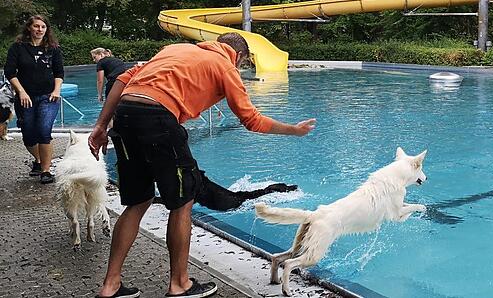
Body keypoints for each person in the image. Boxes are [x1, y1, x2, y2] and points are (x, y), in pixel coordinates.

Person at [87, 33, 315, 298]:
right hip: (158, 118)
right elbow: (251, 120)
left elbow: (124, 79)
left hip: (125, 114)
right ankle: (179, 284)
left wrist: (101, 125)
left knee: (137, 202)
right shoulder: (225, 65)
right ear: (239, 56)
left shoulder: (174, 49)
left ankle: (110, 286)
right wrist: (293, 131)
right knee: (183, 201)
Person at [4, 15, 64, 184]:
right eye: (36, 26)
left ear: (47, 30)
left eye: (43, 27)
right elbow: (10, 72)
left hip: (48, 96)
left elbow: (59, 72)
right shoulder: (18, 48)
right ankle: (38, 160)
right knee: (29, 135)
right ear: (29, 28)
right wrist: (21, 92)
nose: (39, 30)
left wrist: (56, 90)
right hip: (26, 97)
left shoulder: (53, 49)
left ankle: (46, 170)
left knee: (44, 131)